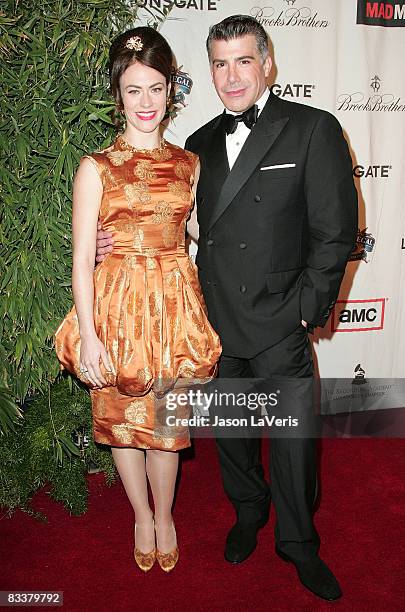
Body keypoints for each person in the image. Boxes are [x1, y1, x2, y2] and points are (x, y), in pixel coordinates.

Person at [95, 15, 358, 600]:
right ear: (208, 71)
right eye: (219, 63)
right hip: (214, 319)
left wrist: (303, 311)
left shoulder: (313, 128)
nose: (232, 75)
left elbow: (336, 232)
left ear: (267, 63)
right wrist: (102, 241)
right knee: (234, 438)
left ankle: (298, 544)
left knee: (292, 444)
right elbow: (172, 227)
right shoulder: (197, 147)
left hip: (280, 321)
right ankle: (247, 514)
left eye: (243, 60)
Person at [54, 26, 221, 574]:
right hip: (117, 309)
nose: (146, 102)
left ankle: (166, 516)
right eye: (133, 90)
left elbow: (197, 231)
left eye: (155, 87)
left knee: (166, 427)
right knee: (122, 420)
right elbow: (81, 257)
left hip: (172, 310)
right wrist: (91, 335)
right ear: (117, 94)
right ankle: (139, 516)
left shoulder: (188, 164)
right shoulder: (95, 167)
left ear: (171, 89)